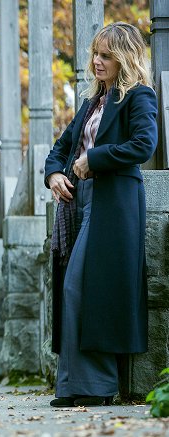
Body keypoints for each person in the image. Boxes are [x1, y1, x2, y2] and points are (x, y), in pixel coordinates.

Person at [44, 22, 157, 408]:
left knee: (86, 288)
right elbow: (60, 149)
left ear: (124, 57)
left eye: (106, 55)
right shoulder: (92, 104)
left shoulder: (139, 97)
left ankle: (97, 386)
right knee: (76, 289)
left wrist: (93, 158)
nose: (97, 61)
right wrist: (55, 174)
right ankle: (75, 385)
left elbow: (144, 145)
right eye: (95, 53)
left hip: (115, 206)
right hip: (82, 203)